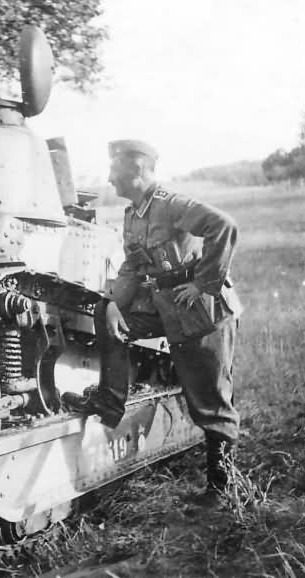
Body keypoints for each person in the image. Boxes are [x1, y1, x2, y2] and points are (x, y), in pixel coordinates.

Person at [62, 139, 242, 505]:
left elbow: (223, 226)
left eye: (115, 171)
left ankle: (223, 488)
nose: (110, 179)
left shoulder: (171, 205)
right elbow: (131, 266)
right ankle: (110, 401)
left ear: (138, 170)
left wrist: (203, 283)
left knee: (210, 398)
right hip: (164, 306)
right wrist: (113, 304)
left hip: (202, 312)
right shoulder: (133, 213)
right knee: (107, 315)